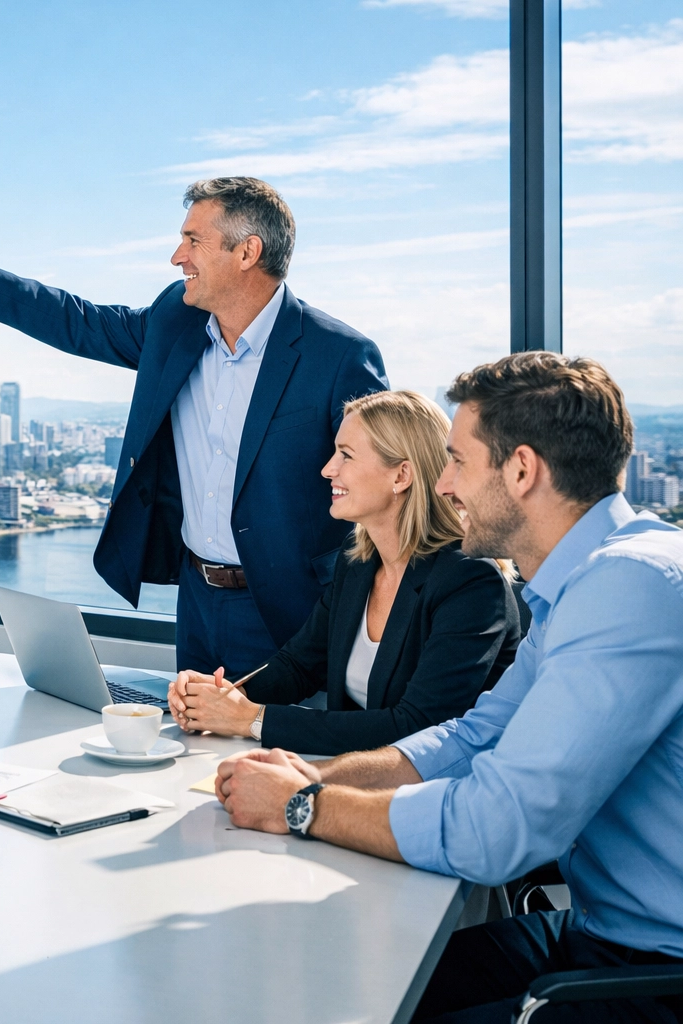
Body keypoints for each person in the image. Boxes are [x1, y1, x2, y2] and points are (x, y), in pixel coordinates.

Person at [214, 353, 683, 1023]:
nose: (444, 485)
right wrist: (319, 774)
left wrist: (304, 807)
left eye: (458, 462)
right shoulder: (582, 585)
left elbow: (498, 831)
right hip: (597, 937)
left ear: (521, 470)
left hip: (657, 974)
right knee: (339, 984)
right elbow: (473, 736)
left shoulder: (631, 586)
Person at [0, 176, 388, 677]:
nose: (178, 256)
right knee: (195, 745)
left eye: (194, 240)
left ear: (247, 252)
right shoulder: (176, 318)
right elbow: (79, 321)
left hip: (293, 611)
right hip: (195, 599)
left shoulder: (339, 356)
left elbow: (386, 488)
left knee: (271, 752)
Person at [168, 390, 521, 755]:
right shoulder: (358, 565)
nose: (327, 469)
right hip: (355, 774)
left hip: (431, 793)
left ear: (401, 475)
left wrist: (251, 719)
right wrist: (221, 696)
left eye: (346, 455)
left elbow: (417, 726)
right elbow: (299, 666)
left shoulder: (472, 584)